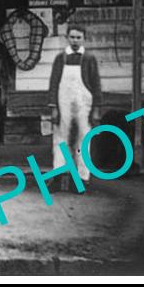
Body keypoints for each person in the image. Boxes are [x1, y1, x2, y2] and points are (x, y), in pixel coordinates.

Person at [47, 25, 103, 192]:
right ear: (67, 38)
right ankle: (58, 177)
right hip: (63, 103)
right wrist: (54, 108)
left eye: (78, 37)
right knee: (60, 139)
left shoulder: (89, 59)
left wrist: (96, 109)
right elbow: (54, 84)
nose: (75, 41)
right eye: (72, 37)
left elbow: (96, 84)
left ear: (84, 39)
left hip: (83, 104)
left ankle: (80, 179)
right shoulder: (60, 58)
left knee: (83, 139)